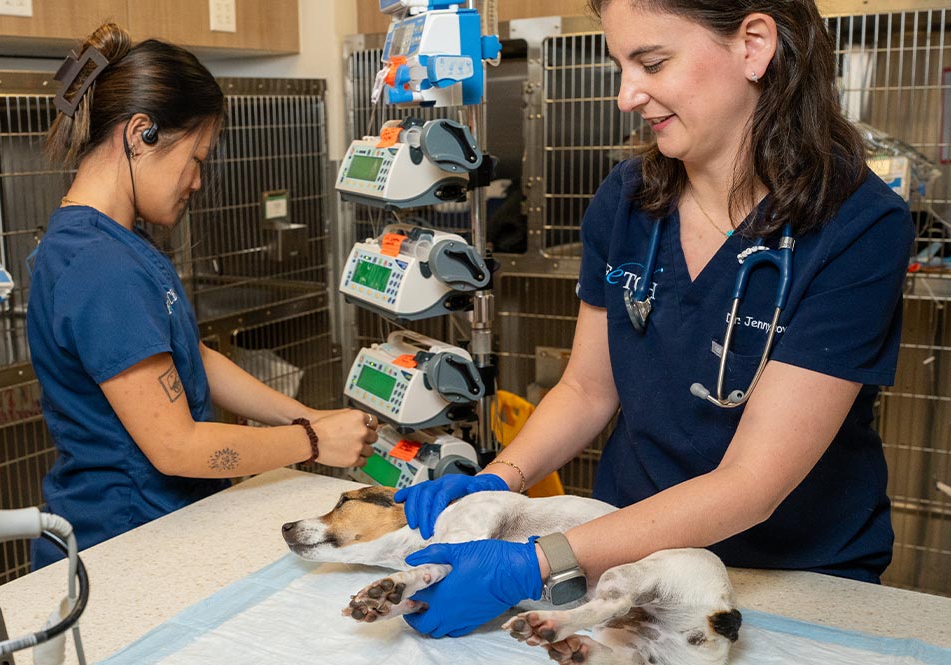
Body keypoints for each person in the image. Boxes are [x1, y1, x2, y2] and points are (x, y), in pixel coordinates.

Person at [392, 0, 915, 638]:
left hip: (795, 572)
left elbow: (753, 483)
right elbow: (587, 388)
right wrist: (495, 482)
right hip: (626, 550)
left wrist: (532, 564)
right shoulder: (628, 198)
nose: (625, 95)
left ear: (752, 45)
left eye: (651, 63)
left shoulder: (859, 226)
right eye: (620, 65)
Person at [27, 23, 379, 568]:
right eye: (196, 158)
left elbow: (190, 354)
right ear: (140, 133)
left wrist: (304, 415)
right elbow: (176, 447)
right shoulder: (101, 266)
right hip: (122, 543)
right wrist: (311, 442)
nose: (196, 181)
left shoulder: (114, 243)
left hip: (157, 525)